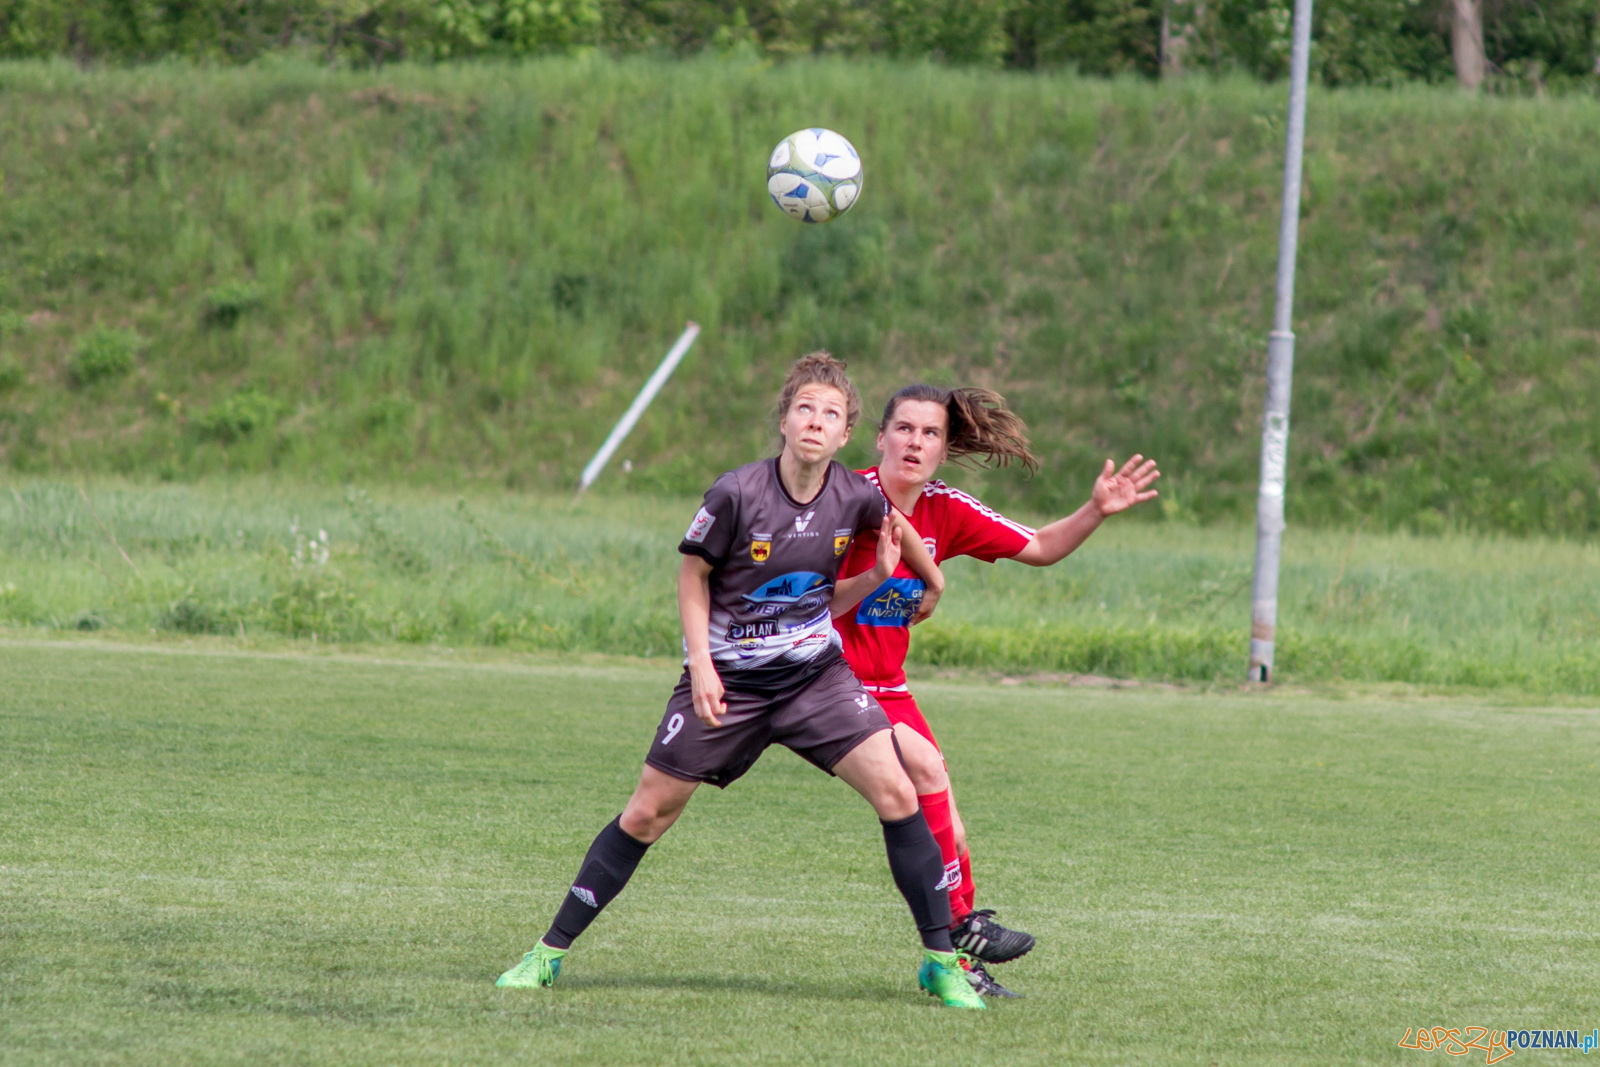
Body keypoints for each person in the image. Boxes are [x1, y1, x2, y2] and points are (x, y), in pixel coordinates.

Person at [496, 354, 987, 1009]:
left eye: (831, 413)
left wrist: (934, 579)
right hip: (730, 680)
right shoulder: (737, 493)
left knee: (899, 789)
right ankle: (547, 953)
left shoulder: (855, 494)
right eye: (805, 408)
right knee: (647, 812)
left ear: (845, 436)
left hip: (815, 678)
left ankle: (938, 961)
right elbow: (693, 575)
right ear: (784, 420)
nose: (816, 421)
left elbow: (897, 529)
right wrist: (700, 662)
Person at [834, 383, 1160, 997]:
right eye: (904, 429)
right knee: (925, 770)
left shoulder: (946, 509)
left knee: (949, 831)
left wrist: (1095, 509)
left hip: (890, 687)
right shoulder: (843, 494)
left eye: (931, 434)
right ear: (880, 437)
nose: (915, 442)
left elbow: (1038, 547)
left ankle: (959, 958)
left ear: (943, 449)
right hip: (829, 679)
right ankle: (961, 928)